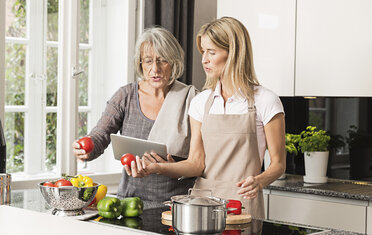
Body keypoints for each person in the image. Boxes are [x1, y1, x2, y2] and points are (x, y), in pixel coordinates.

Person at [129, 17, 286, 219]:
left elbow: (278, 164)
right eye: (203, 52)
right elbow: (196, 163)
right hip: (202, 204)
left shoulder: (265, 100)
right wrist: (157, 168)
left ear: (234, 53)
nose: (204, 59)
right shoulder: (201, 102)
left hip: (242, 204)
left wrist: (260, 180)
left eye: (212, 52)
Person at [72, 27, 198, 202]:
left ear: (174, 62)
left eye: (162, 60)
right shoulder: (126, 95)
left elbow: (200, 160)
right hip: (130, 200)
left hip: (177, 204)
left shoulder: (191, 99)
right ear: (140, 63)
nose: (155, 69)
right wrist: (88, 147)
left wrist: (172, 167)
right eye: (148, 61)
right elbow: (101, 134)